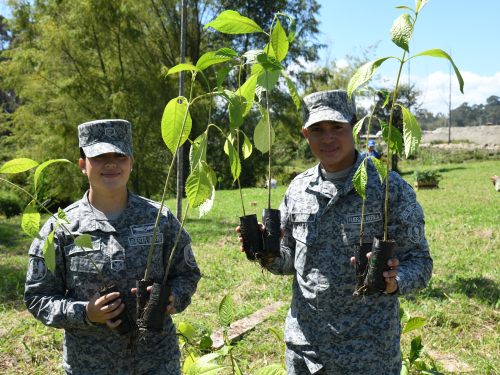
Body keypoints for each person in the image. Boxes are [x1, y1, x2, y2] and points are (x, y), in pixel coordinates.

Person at [237, 90, 433, 374]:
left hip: (368, 353)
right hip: (305, 350)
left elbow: (421, 263)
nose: (327, 138)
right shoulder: (297, 189)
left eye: (336, 128)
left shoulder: (390, 188)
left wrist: (395, 280)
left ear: (353, 127)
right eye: (317, 129)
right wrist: (264, 252)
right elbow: (289, 261)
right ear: (306, 134)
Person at [24, 119, 201, 375]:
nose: (110, 163)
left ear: (131, 162)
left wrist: (175, 297)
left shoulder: (160, 218)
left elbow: (187, 273)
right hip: (90, 365)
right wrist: (85, 312)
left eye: (119, 155)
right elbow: (37, 297)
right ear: (83, 165)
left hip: (157, 361)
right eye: (99, 156)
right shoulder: (60, 228)